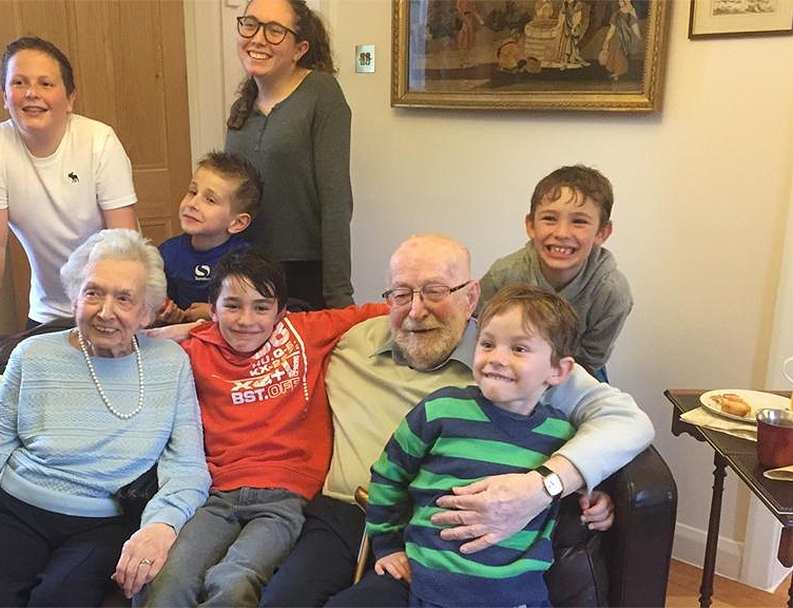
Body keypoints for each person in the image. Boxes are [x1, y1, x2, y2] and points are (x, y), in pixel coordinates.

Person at [260, 234, 652, 607]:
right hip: (343, 514)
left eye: (434, 292)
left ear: (470, 298)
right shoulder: (351, 341)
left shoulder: (514, 368)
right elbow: (257, 327)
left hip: (434, 533)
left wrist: (570, 486)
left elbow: (624, 421)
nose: (416, 310)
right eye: (401, 293)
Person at [0, 229, 209, 607]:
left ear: (146, 312)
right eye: (93, 292)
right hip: (16, 511)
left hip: (106, 523)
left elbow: (189, 465)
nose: (105, 311)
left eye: (124, 298)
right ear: (74, 296)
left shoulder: (169, 364)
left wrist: (162, 525)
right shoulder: (33, 355)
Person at [141, 250, 387, 606]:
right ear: (212, 308)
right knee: (169, 579)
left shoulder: (306, 332)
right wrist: (187, 330)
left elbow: (377, 311)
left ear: (281, 312)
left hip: (288, 495)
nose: (246, 320)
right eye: (232, 306)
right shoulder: (194, 350)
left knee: (234, 580)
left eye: (261, 307)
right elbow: (130, 345)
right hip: (217, 493)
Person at [365, 284, 581, 607]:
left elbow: (572, 486)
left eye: (519, 349)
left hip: (518, 595)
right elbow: (388, 475)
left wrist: (598, 500)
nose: (496, 359)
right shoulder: (439, 409)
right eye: (488, 344)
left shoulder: (563, 434)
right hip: (430, 588)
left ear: (558, 370)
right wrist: (387, 544)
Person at [0, 36, 139, 355]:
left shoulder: (99, 140)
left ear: (69, 99)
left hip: (110, 309)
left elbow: (124, 244)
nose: (32, 93)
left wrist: (125, 314)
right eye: (19, 82)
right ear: (5, 97)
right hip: (47, 312)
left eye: (46, 83)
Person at [225, 0, 354, 310]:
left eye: (275, 31)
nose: (257, 38)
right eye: (251, 24)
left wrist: (339, 298)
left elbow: (336, 201)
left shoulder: (322, 95)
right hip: (242, 266)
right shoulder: (242, 106)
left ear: (299, 49)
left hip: (301, 273)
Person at [475, 165, 633, 380]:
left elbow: (592, 359)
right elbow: (477, 335)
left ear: (602, 232)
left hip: (577, 370)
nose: (561, 233)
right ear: (530, 225)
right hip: (507, 365)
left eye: (579, 221)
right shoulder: (504, 276)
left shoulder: (612, 292)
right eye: (550, 218)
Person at [156, 151, 262, 325]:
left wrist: (217, 311)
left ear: (237, 223)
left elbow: (257, 312)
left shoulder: (248, 261)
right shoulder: (166, 253)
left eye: (210, 200)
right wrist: (165, 313)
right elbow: (153, 306)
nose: (192, 204)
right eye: (192, 192)